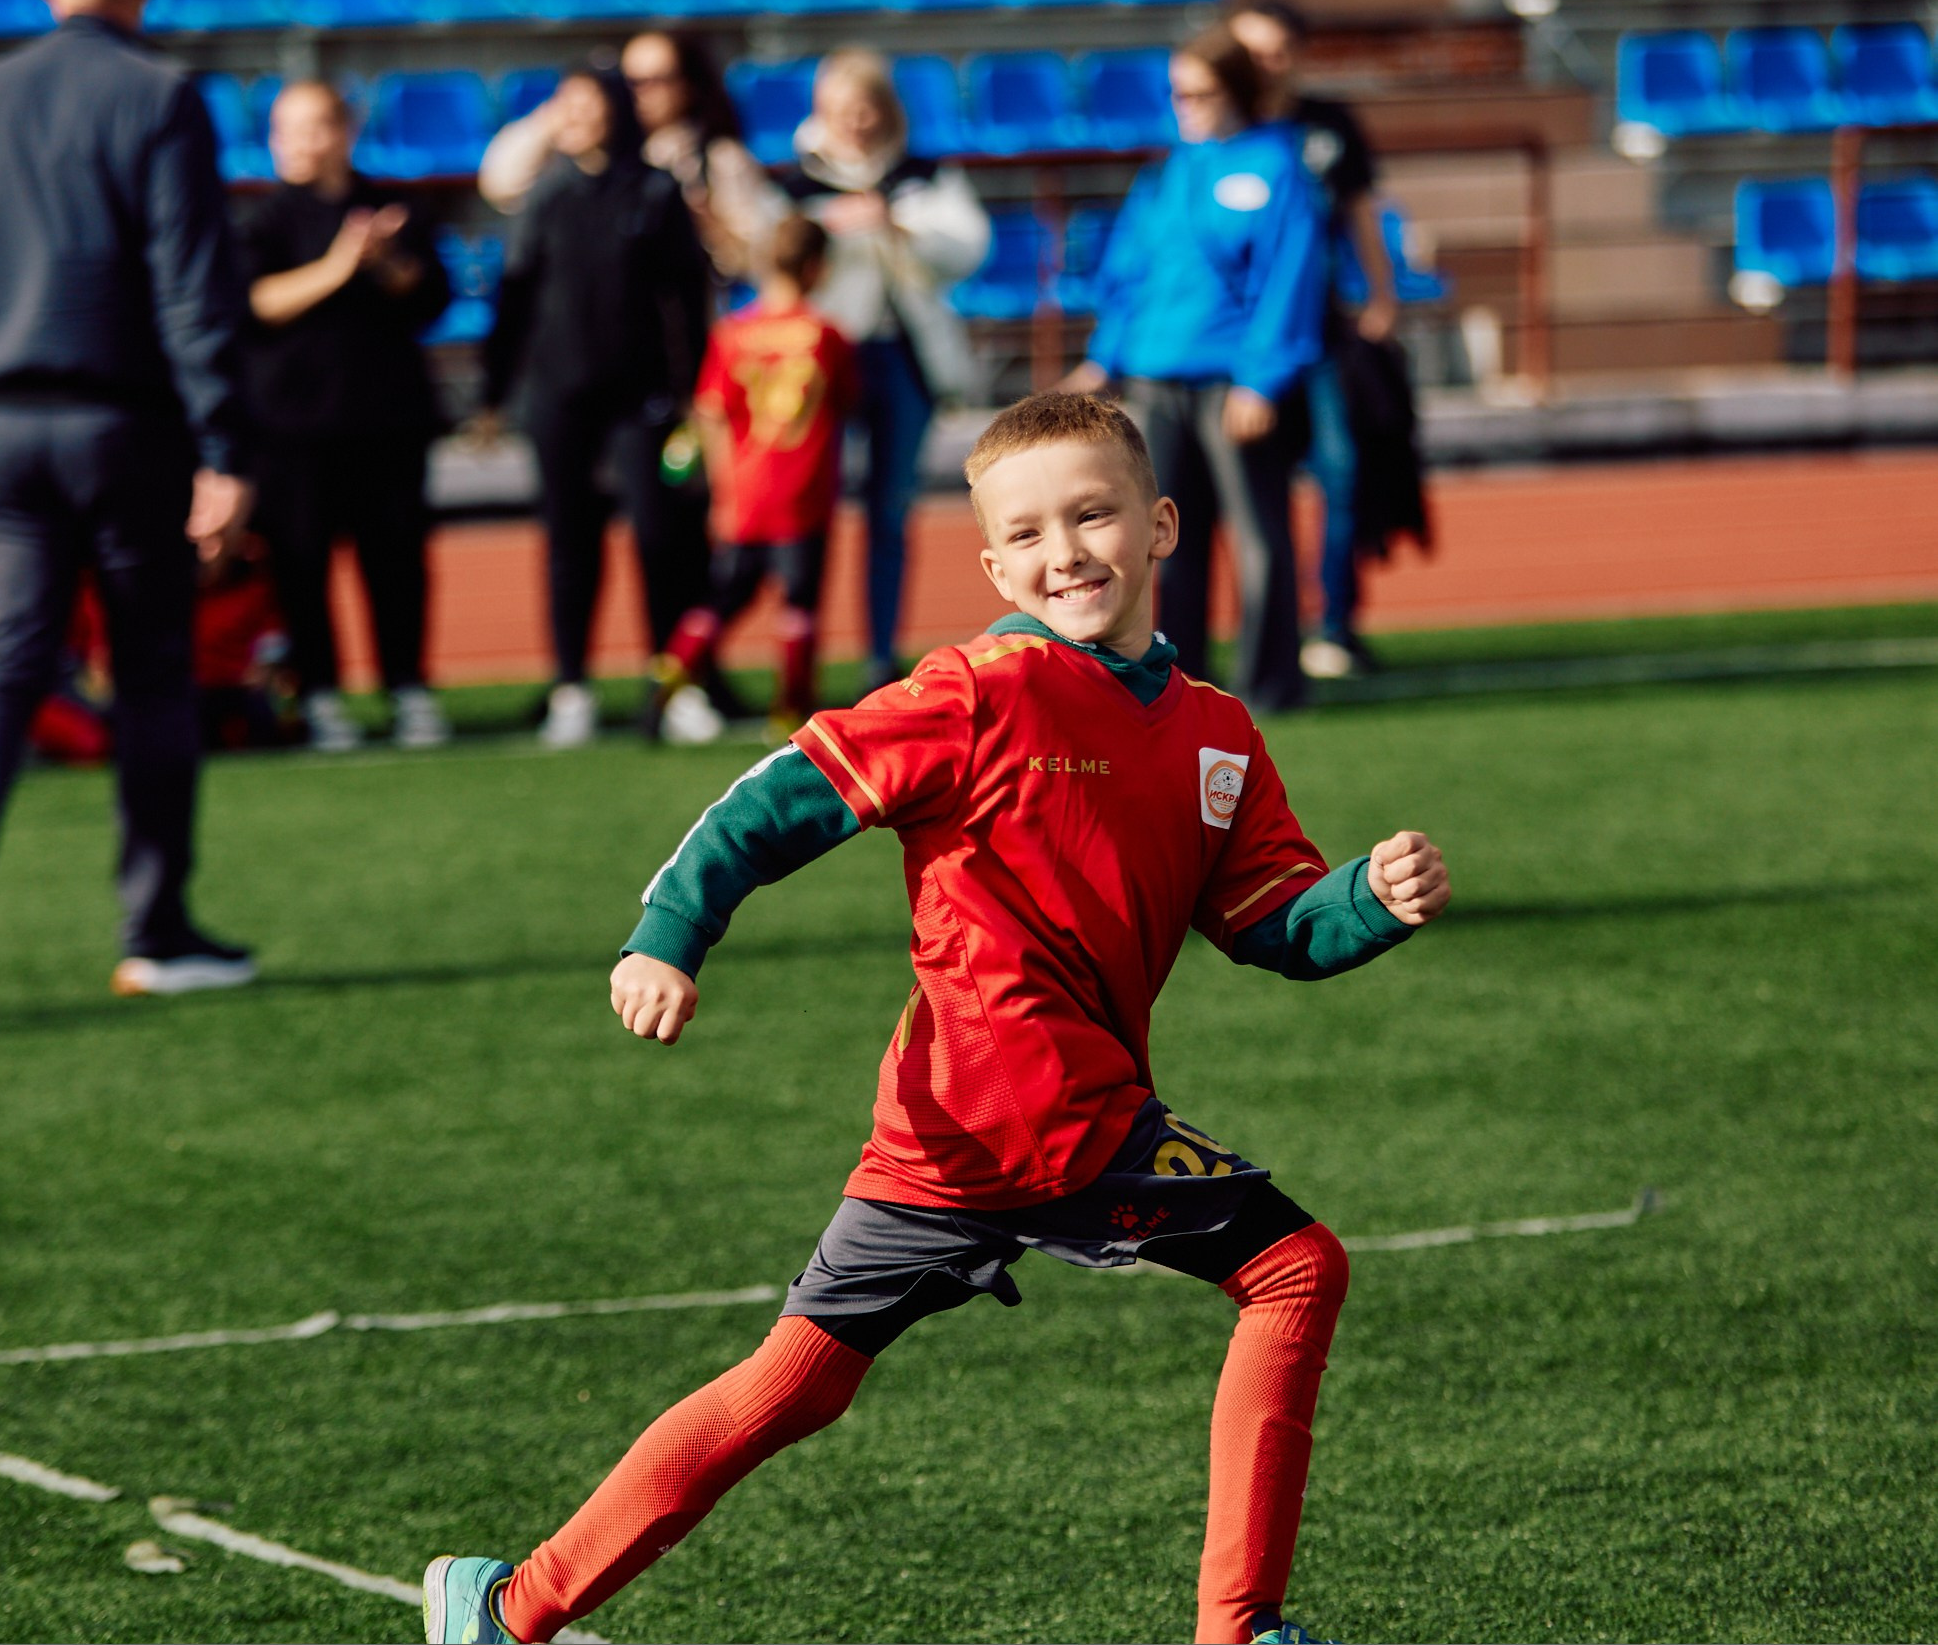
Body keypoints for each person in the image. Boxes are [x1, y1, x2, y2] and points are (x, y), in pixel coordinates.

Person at [422, 392, 1450, 1645]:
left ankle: (509, 1606)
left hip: (951, 1137)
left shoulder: (1216, 736)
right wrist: (667, 934)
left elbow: (1274, 923)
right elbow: (770, 800)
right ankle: (1239, 1630)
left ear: (1162, 522)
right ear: (990, 563)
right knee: (1293, 1269)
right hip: (1024, 1109)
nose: (1061, 553)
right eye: (1024, 535)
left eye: (1091, 515)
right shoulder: (975, 691)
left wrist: (1368, 900)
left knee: (792, 1380)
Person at [0, 0, 256, 1012]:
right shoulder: (158, 94)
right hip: (119, 419)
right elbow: (191, 278)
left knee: (2, 660)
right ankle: (155, 929)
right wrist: (223, 443)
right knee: (148, 670)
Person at [1066, 24, 1326, 716]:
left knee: (1257, 537)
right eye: (1177, 93)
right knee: (1164, 539)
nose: (1186, 105)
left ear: (1237, 91)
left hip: (1232, 381)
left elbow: (1288, 282)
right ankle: (1177, 687)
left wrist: (1262, 379)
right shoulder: (1165, 175)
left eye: (1201, 92)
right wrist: (1106, 354)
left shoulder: (1279, 167)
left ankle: (1271, 684)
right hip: (1155, 378)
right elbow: (1128, 274)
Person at [481, 67, 709, 751]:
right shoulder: (546, 195)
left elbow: (687, 300)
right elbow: (514, 296)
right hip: (559, 400)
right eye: (564, 104)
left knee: (660, 539)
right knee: (569, 544)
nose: (574, 116)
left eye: (587, 103)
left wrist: (698, 393)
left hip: (642, 400)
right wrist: (494, 393)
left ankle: (673, 685)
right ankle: (571, 686)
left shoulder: (655, 189)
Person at [236, 78, 451, 754]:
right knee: (301, 567)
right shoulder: (259, 220)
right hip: (292, 430)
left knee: (396, 564)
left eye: (311, 127)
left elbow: (431, 300)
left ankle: (407, 687)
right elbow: (253, 304)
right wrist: (338, 266)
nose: (297, 143)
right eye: (283, 129)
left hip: (387, 421)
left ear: (344, 131)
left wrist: (385, 265)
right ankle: (320, 694)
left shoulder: (395, 207)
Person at [778, 49, 990, 696]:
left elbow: (968, 247)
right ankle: (799, 658)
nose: (858, 122)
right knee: (804, 512)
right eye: (844, 111)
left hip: (903, 359)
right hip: (820, 362)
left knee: (889, 512)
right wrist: (834, 230)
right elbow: (772, 258)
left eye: (868, 107)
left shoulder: (923, 175)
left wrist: (895, 226)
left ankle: (880, 654)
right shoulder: (795, 183)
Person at [1230, 0, 1396, 680]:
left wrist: (1382, 293)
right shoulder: (1223, 126)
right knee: (1245, 489)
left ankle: (1333, 624)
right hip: (1239, 342)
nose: (1268, 64)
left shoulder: (1327, 125)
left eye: (1278, 49)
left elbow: (1360, 214)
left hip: (1321, 331)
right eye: (1253, 51)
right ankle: (1261, 631)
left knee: (1341, 473)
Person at [652, 215, 857, 745]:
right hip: (803, 488)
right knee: (799, 604)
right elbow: (848, 400)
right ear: (815, 267)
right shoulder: (825, 334)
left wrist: (723, 487)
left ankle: (672, 670)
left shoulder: (733, 332)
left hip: (745, 490)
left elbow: (711, 411)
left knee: (723, 597)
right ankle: (790, 710)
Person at [480, 30, 776, 283]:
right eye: (628, 81)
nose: (638, 92)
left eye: (655, 81)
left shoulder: (718, 160)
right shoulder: (592, 156)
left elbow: (767, 257)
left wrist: (712, 229)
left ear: (687, 87)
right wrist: (559, 114)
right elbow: (502, 184)